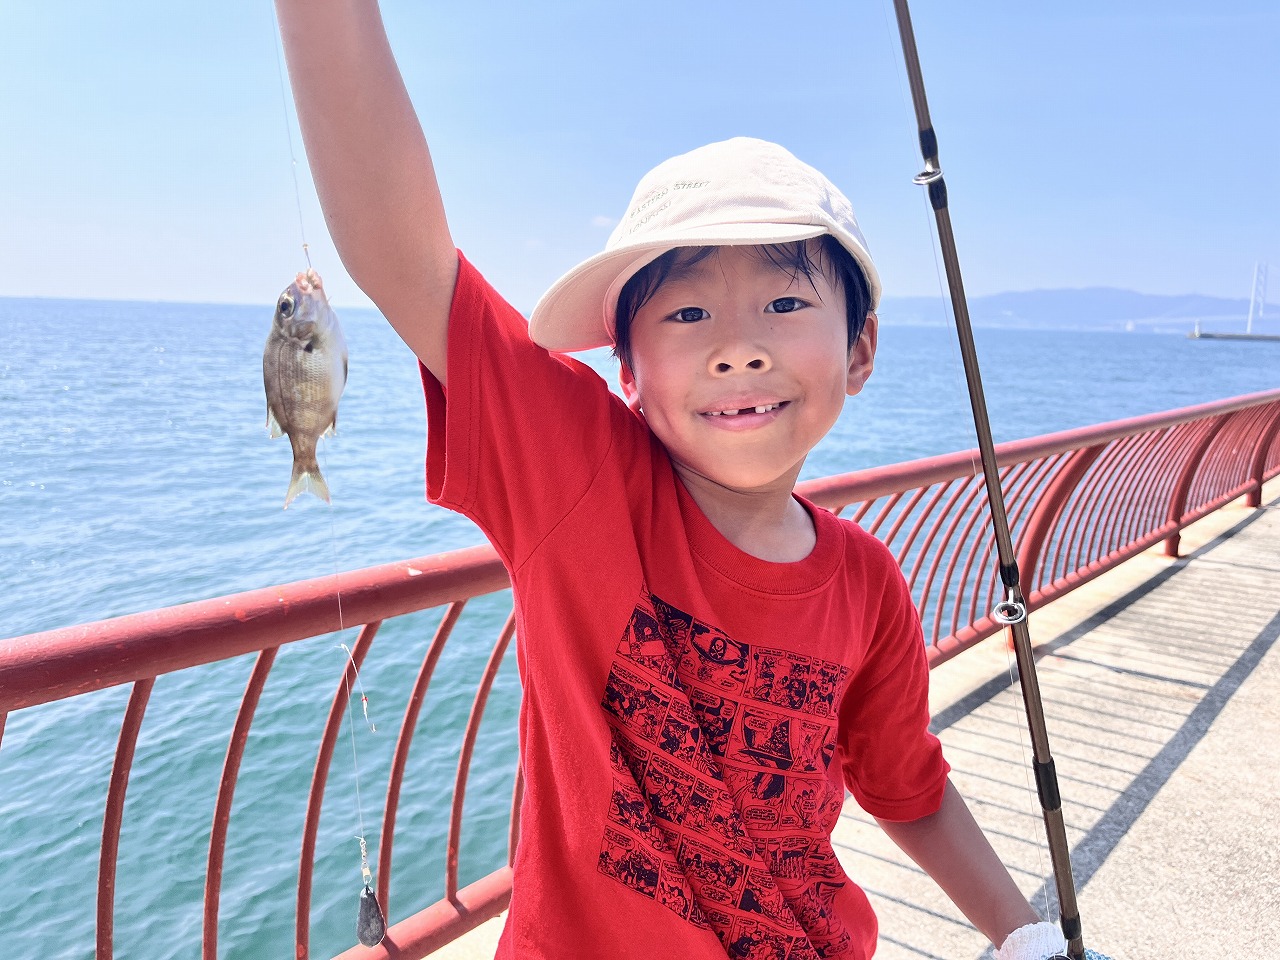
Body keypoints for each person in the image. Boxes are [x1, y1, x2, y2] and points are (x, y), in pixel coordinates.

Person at [274, 4, 1088, 958]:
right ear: (627, 368)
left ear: (861, 349)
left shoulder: (870, 585)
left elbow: (910, 789)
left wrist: (1028, 939)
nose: (737, 348)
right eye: (688, 314)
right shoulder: (577, 478)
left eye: (785, 302)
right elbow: (401, 254)